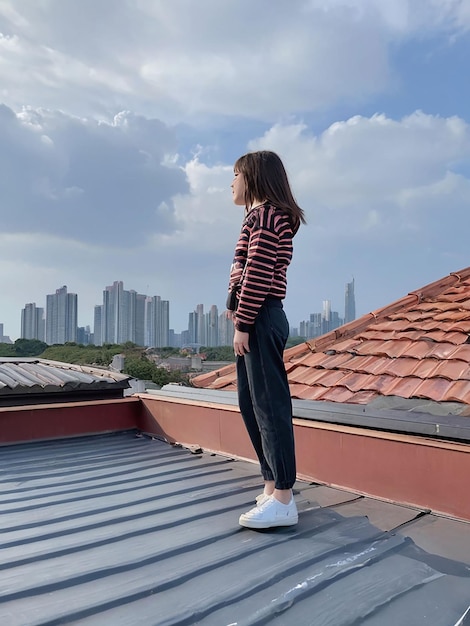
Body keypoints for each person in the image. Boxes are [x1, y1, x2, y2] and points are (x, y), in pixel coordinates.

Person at [226, 150, 306, 529]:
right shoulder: (258, 217)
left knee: (270, 407)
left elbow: (257, 269)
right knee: (250, 403)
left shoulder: (269, 215)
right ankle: (271, 484)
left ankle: (285, 498)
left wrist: (243, 320)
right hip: (255, 316)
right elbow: (245, 269)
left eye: (236, 175)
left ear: (253, 177)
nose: (231, 183)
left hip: (261, 316)